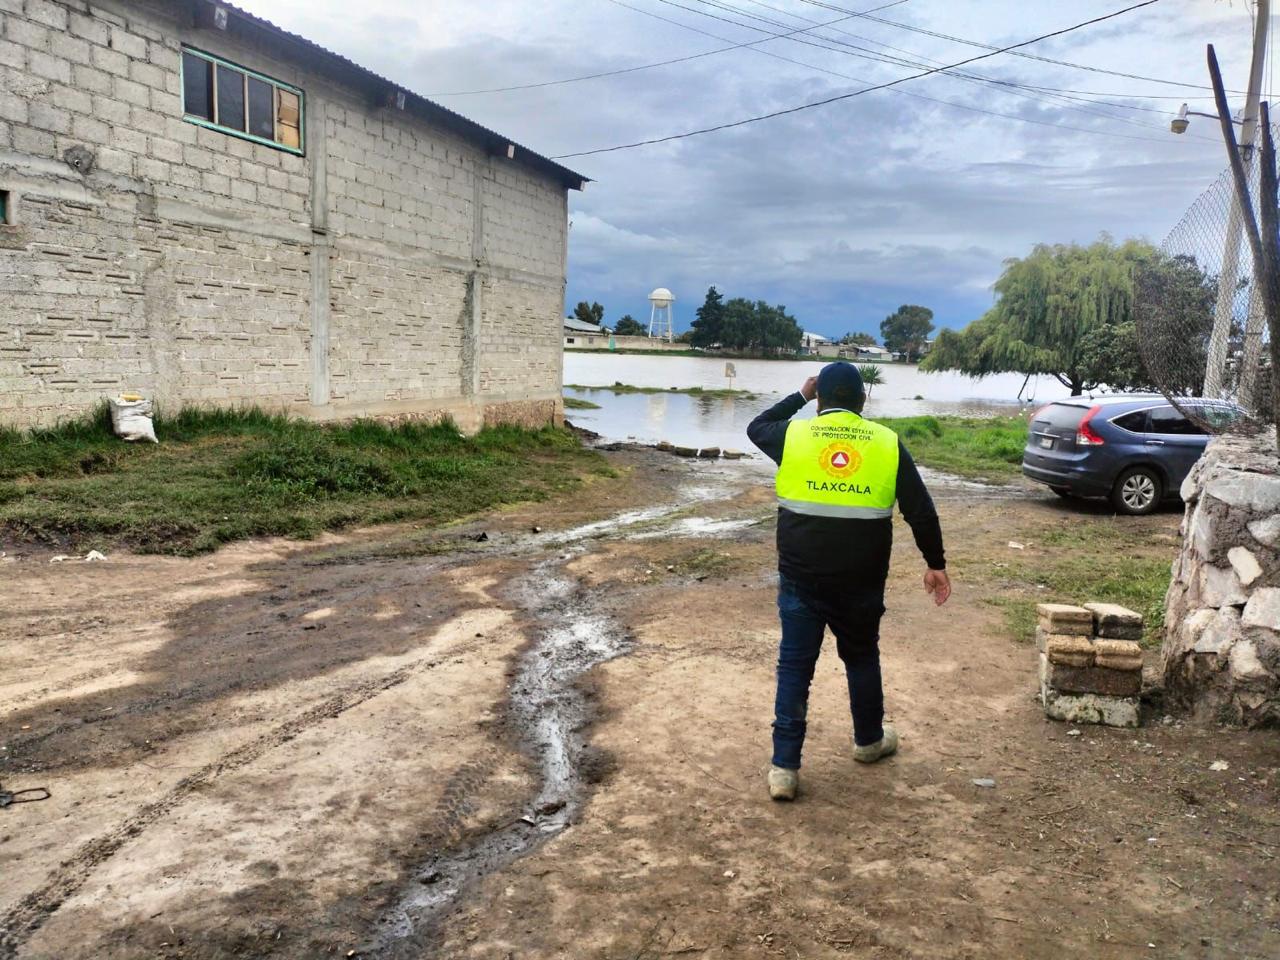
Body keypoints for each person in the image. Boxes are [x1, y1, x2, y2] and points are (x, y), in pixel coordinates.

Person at [747, 361, 950, 801]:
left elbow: (756, 426)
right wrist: (935, 562)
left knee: (794, 667)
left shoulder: (793, 435)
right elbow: (920, 508)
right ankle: (869, 741)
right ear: (863, 400)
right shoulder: (886, 442)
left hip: (800, 578)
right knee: (861, 658)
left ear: (820, 398)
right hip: (861, 581)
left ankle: (784, 769)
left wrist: (799, 396)